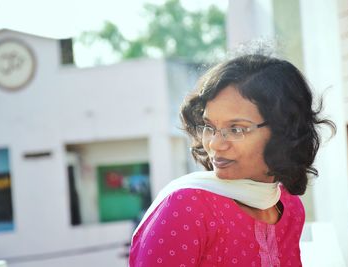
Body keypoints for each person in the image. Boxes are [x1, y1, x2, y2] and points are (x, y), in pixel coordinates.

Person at [128, 53, 336, 266]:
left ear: (284, 131)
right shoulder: (186, 208)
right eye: (209, 127)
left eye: (236, 129)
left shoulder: (289, 207)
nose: (215, 144)